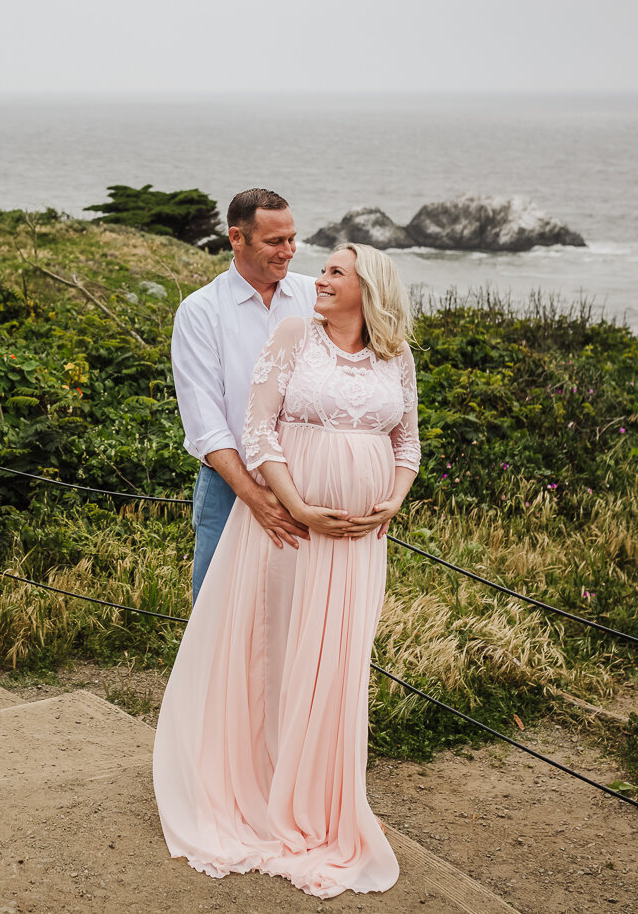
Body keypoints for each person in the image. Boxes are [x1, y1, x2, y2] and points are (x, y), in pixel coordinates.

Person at [153, 242, 420, 900]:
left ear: (369, 289)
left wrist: (395, 496)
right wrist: (296, 505)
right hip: (291, 531)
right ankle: (258, 787)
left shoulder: (397, 355)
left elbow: (406, 441)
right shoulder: (296, 335)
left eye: (334, 271)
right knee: (274, 649)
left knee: (335, 664)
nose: (319, 279)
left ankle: (326, 798)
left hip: (358, 545)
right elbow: (259, 427)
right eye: (323, 268)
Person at [172, 188, 317, 599]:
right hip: (228, 487)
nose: (288, 251)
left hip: (306, 484)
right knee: (217, 617)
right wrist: (254, 497)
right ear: (237, 238)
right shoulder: (201, 312)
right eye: (275, 242)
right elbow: (206, 424)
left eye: (292, 238)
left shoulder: (315, 298)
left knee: (293, 616)